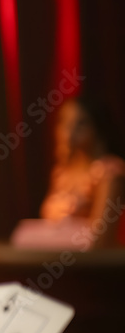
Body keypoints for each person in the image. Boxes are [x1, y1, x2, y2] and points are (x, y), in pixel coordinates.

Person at [39, 96, 124, 245]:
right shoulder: (61, 172)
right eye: (64, 122)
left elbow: (101, 240)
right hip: (52, 259)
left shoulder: (110, 173)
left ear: (98, 127)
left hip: (90, 264)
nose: (69, 131)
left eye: (80, 124)